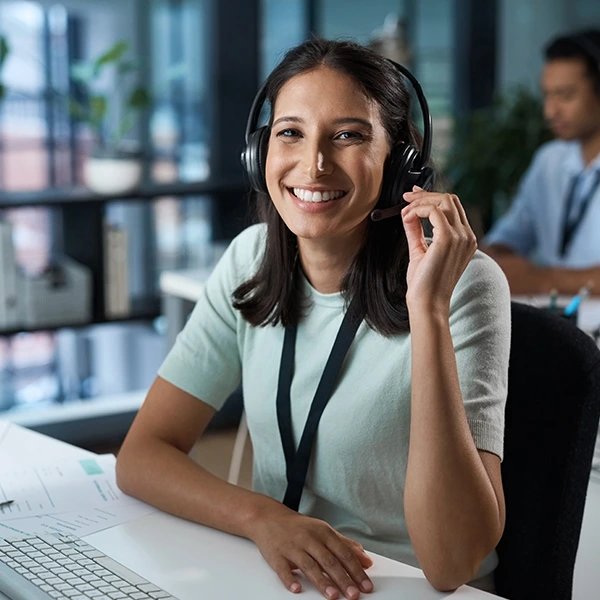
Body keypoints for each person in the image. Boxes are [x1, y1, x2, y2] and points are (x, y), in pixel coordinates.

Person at [116, 38, 510, 599]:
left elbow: (451, 564)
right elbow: (141, 456)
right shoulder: (251, 259)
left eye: (348, 135)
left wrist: (428, 312)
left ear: (401, 163)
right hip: (288, 576)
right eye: (291, 133)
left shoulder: (467, 285)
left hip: (408, 584)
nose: (315, 163)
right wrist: (263, 518)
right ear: (260, 154)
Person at [483, 29, 600, 294]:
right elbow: (508, 237)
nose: (550, 111)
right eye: (547, 95)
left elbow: (539, 279)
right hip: (555, 323)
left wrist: (542, 280)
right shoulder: (549, 160)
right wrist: (490, 260)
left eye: (566, 96)